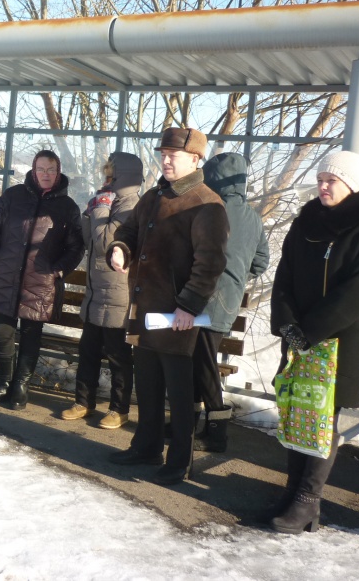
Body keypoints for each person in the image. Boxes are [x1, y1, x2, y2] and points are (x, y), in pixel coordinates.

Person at [269, 150, 359, 534]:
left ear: (350, 185)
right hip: (298, 338)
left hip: (338, 343)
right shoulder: (305, 224)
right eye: (320, 179)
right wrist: (287, 324)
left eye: (331, 180)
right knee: (296, 412)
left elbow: (357, 293)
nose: (322, 186)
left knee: (322, 417)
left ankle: (307, 500)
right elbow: (283, 277)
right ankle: (292, 492)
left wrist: (310, 331)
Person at [107, 127, 228, 486]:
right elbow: (128, 231)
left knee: (179, 393)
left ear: (195, 159)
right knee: (147, 383)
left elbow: (210, 264)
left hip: (177, 317)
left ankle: (179, 461)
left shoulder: (207, 204)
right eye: (162, 154)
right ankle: (146, 446)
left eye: (172, 155)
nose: (165, 160)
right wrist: (120, 248)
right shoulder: (154, 196)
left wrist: (188, 307)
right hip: (146, 310)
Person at [0, 149, 84, 410]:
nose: (45, 174)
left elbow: (76, 246)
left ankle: (20, 386)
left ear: (58, 171)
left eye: (51, 169)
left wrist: (58, 270)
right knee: (2, 331)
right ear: (33, 170)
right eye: (41, 169)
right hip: (5, 276)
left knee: (30, 334)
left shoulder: (67, 207)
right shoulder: (13, 196)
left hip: (40, 282)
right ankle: (3, 382)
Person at [194, 152, 269, 452]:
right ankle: (195, 425)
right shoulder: (252, 216)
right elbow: (261, 262)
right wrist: (237, 277)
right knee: (201, 361)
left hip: (202, 298)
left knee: (202, 364)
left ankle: (216, 433)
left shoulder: (210, 209)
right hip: (228, 301)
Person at [61, 152, 142, 429]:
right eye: (106, 176)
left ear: (124, 178)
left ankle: (119, 409)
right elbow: (90, 240)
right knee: (88, 350)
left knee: (118, 356)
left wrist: (99, 209)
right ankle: (83, 402)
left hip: (118, 296)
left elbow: (107, 241)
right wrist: (90, 213)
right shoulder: (108, 203)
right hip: (96, 292)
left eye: (111, 177)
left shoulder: (132, 207)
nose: (106, 182)